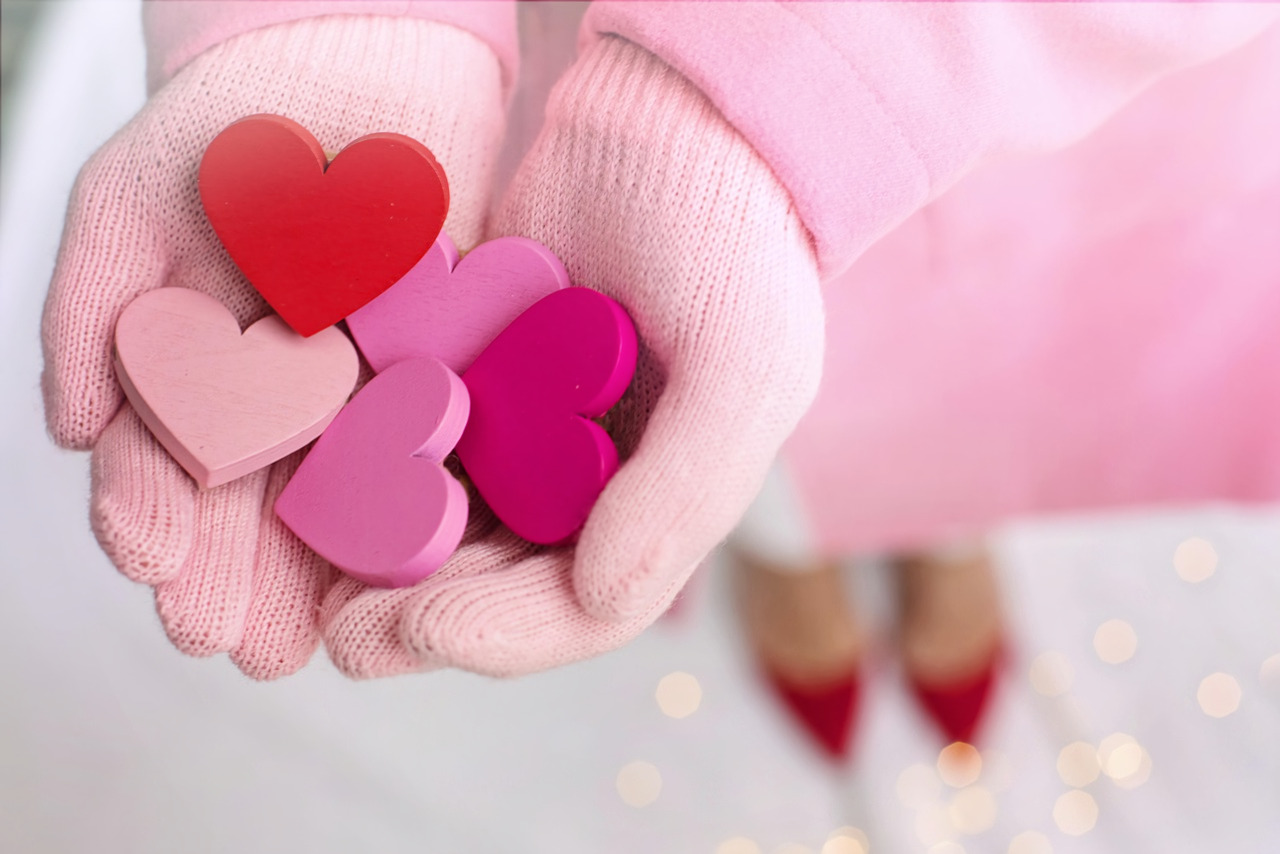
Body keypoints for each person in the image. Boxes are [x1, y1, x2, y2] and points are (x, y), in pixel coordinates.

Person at [41, 2, 1280, 766]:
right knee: (693, 412)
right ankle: (785, 552)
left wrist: (788, 78)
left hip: (1025, 94)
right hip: (533, 73)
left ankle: (933, 524)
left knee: (963, 388)